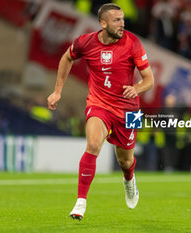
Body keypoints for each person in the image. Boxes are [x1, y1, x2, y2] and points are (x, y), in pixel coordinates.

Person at [47, 3, 154, 221]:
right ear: (103, 23)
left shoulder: (132, 43)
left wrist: (136, 88)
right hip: (99, 104)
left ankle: (129, 179)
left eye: (123, 19)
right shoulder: (85, 42)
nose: (122, 24)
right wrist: (57, 91)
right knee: (94, 144)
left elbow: (149, 80)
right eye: (117, 20)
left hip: (129, 110)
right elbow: (67, 57)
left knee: (125, 161)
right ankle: (80, 202)